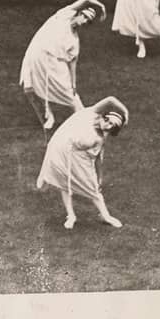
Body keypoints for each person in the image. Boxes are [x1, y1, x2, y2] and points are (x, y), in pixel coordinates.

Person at [36, 96, 129, 230]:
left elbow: (97, 158)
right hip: (61, 150)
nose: (107, 125)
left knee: (93, 189)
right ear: (103, 116)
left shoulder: (100, 138)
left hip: (80, 159)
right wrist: (125, 113)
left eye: (111, 126)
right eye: (107, 120)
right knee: (64, 183)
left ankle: (106, 216)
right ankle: (71, 215)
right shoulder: (91, 113)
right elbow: (110, 100)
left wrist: (99, 176)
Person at [20, 0, 107, 130]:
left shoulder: (74, 41)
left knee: (70, 94)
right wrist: (101, 6)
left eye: (88, 21)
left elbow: (73, 63)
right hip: (36, 54)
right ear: (78, 13)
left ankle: (86, 118)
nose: (84, 21)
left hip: (54, 64)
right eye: (84, 17)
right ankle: (48, 115)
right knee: (29, 89)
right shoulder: (63, 16)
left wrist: (73, 83)